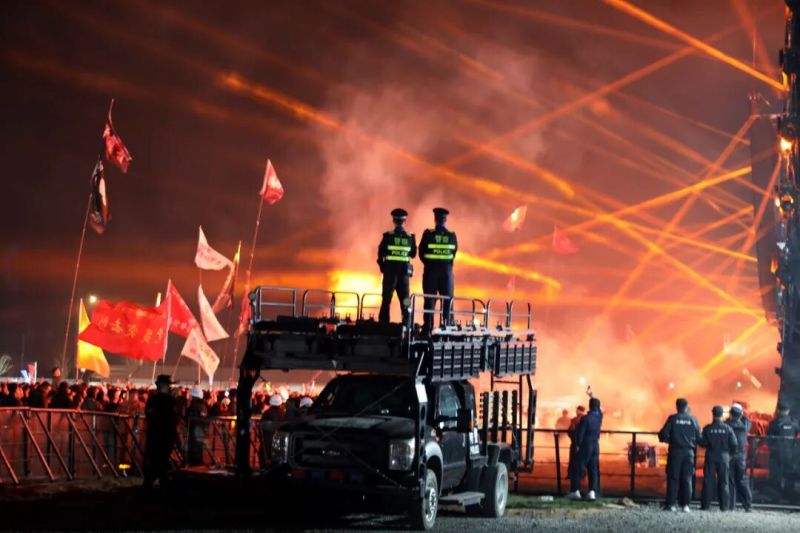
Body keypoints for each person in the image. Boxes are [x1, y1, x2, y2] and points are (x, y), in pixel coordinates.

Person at [658, 398, 702, 513]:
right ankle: (685, 505)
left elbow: (662, 434)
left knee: (673, 478)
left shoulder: (673, 418)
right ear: (687, 407)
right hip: (689, 453)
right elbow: (699, 437)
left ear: (677, 407)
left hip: (675, 452)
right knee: (687, 479)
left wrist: (669, 440)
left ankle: (671, 504)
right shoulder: (693, 420)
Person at [419, 207, 458, 332]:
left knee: (429, 301)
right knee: (448, 302)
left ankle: (428, 328)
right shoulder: (451, 235)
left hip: (430, 272)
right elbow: (453, 254)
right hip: (447, 274)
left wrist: (429, 264)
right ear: (445, 220)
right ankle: (447, 328)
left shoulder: (428, 234)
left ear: (435, 219)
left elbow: (421, 253)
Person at [377, 208, 417, 325]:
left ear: (393, 221)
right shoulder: (409, 238)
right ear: (405, 221)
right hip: (404, 276)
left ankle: (384, 324)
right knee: (405, 300)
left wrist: (383, 267)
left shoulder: (387, 236)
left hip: (389, 274)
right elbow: (413, 254)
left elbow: (380, 254)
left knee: (386, 300)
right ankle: (407, 324)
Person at [143, 375, 178, 489]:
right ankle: (160, 484)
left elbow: (149, 416)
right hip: (165, 437)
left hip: (153, 437)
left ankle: (150, 483)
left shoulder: (152, 400)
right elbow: (174, 420)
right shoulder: (170, 401)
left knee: (153, 461)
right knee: (162, 462)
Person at [700, 406, 737, 511]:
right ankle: (724, 507)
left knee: (708, 481)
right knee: (724, 482)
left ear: (713, 414)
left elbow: (702, 442)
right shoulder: (728, 429)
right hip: (724, 457)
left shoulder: (707, 428)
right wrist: (730, 456)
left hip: (711, 456)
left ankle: (705, 505)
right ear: (722, 415)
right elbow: (734, 444)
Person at [566, 398, 602, 500]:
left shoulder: (585, 419)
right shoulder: (599, 418)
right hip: (595, 445)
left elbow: (580, 434)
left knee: (578, 467)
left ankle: (575, 491)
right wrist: (592, 396)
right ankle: (592, 492)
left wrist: (577, 445)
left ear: (590, 406)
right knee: (593, 469)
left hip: (586, 445)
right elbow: (600, 411)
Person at [767, 402, 800, 500]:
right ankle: (787, 496)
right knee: (787, 475)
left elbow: (769, 438)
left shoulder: (774, 423)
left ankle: (778, 496)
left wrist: (772, 447)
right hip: (788, 453)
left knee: (778, 476)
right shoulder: (794, 422)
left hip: (778, 454)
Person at [726, 403, 753, 512]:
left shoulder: (726, 425)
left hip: (729, 456)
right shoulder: (745, 426)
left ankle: (730, 506)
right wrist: (742, 413)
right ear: (740, 414)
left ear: (731, 413)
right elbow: (748, 421)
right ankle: (747, 505)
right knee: (742, 481)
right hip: (741, 457)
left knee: (730, 480)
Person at [186, 386, 208, 467]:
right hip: (199, 431)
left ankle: (194, 463)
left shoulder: (193, 405)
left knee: (194, 449)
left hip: (194, 431)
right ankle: (197, 463)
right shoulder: (202, 405)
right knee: (198, 448)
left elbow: (187, 417)